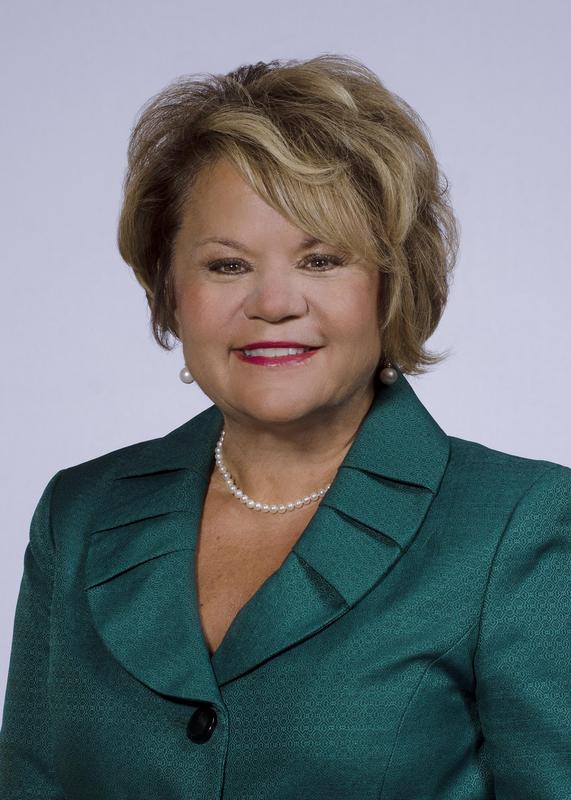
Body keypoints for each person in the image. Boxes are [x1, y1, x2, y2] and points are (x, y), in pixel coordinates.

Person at [1, 53, 570, 800]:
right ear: (170, 289)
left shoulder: (516, 525)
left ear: (391, 285)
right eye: (228, 265)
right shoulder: (78, 517)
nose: (273, 302)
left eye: (321, 259)